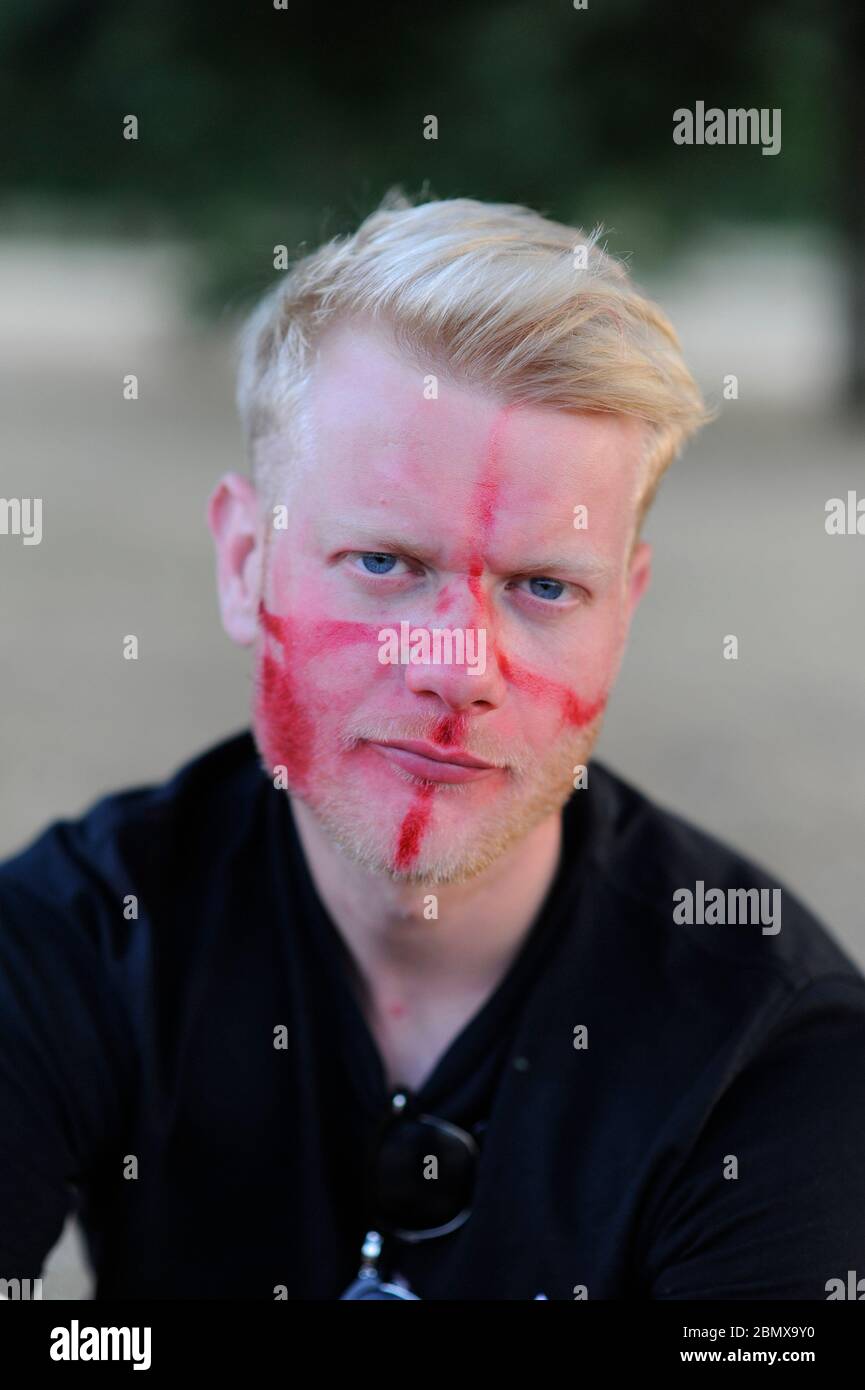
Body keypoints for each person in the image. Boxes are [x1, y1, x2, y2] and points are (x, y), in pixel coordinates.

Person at [2, 192, 864, 1301]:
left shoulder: (768, 1052)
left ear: (624, 611)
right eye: (384, 562)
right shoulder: (79, 939)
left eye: (544, 586)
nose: (458, 664)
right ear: (243, 562)